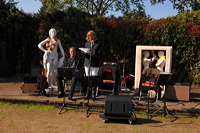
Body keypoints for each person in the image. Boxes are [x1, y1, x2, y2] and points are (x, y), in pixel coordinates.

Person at [38, 28, 65, 93]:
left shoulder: (57, 41)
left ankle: (53, 83)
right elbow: (39, 45)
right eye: (52, 31)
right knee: (49, 70)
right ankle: (47, 84)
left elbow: (61, 48)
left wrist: (63, 55)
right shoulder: (48, 40)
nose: (53, 33)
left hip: (55, 56)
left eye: (54, 31)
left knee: (54, 70)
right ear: (50, 33)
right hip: (49, 56)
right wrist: (45, 51)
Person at [81, 30, 102, 100]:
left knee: (94, 79)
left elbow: (99, 54)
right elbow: (85, 54)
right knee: (88, 79)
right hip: (87, 63)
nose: (90, 37)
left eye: (91, 36)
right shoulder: (87, 43)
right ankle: (88, 94)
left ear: (94, 35)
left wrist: (94, 52)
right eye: (88, 36)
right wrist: (83, 51)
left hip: (95, 63)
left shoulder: (98, 44)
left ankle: (93, 94)